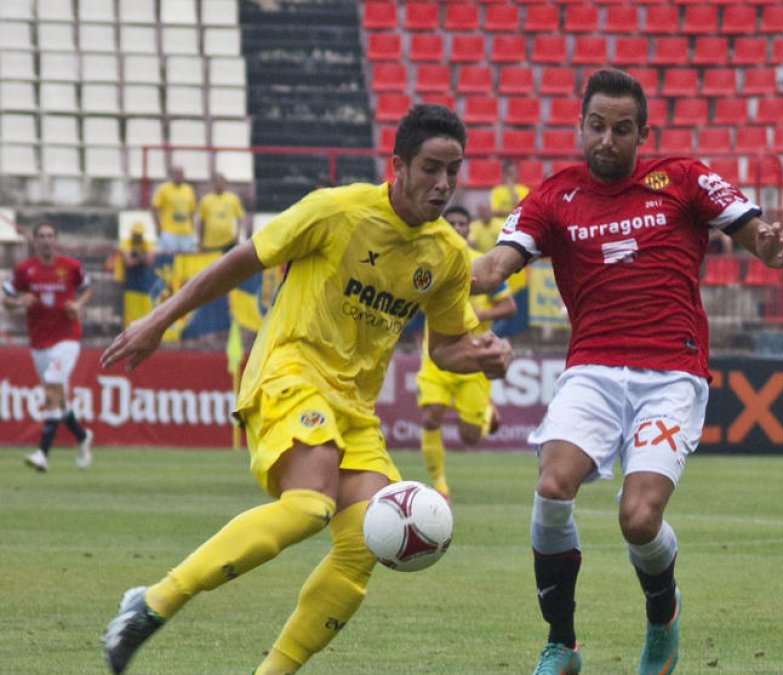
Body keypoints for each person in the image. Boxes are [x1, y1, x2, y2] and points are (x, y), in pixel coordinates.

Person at [99, 104, 514, 675]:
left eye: (454, 170)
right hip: (288, 371)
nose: (443, 184)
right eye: (430, 169)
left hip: (354, 407)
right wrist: (159, 320)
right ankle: (151, 603)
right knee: (309, 507)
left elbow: (446, 347)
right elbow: (240, 262)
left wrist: (486, 357)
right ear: (397, 166)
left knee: (365, 542)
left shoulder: (444, 255)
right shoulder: (336, 211)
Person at [471, 69, 783, 675]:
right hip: (592, 369)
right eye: (597, 127)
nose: (607, 140)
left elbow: (756, 235)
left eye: (622, 130)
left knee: (639, 518)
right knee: (551, 487)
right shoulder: (554, 196)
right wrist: (446, 271)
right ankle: (562, 645)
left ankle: (662, 617)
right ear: (580, 127)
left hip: (672, 373)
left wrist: (771, 248)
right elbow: (493, 268)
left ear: (643, 133)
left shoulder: (683, 178)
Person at [416, 205, 516, 499]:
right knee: (430, 418)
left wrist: (480, 312)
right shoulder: (427, 262)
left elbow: (509, 305)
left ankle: (486, 412)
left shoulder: (481, 264)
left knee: (469, 436)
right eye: (453, 223)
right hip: (435, 352)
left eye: (463, 224)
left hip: (474, 355)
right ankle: (440, 484)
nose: (458, 228)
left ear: (469, 230)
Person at [2, 223, 95, 471]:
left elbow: (87, 288)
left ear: (56, 240)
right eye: (41, 236)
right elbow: (6, 299)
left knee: (53, 382)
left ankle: (42, 454)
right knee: (57, 397)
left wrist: (78, 305)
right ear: (34, 241)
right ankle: (83, 436)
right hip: (39, 341)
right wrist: (19, 301)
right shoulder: (25, 270)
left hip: (67, 337)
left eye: (50, 236)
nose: (46, 240)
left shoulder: (71, 267)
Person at [151, 165, 197, 254]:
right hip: (169, 232)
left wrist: (193, 229)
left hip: (186, 232)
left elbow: (192, 211)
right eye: (176, 173)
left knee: (186, 259)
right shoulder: (163, 189)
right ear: (172, 175)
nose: (179, 176)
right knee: (170, 259)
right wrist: (158, 227)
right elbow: (155, 208)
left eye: (181, 174)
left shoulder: (189, 190)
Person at [196, 173, 247, 252]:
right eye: (216, 182)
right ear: (212, 184)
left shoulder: (233, 199)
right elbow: (202, 222)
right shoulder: (205, 200)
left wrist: (238, 236)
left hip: (228, 242)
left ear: (225, 183)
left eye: (221, 182)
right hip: (210, 243)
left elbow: (240, 218)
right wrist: (200, 241)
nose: (218, 184)